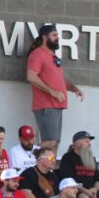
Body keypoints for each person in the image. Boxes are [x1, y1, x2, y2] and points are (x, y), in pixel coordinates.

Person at [26, 23, 83, 152]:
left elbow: (60, 80)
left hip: (57, 105)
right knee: (48, 142)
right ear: (45, 37)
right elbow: (31, 77)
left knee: (55, 143)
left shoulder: (54, 57)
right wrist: (52, 91)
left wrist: (74, 89)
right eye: (54, 35)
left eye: (57, 35)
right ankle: (36, 166)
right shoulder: (37, 54)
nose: (57, 37)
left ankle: (49, 169)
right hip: (46, 105)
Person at [58, 130, 99, 198]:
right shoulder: (68, 157)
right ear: (77, 143)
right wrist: (86, 191)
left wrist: (94, 190)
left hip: (91, 191)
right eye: (87, 141)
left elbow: (98, 179)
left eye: (90, 141)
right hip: (75, 190)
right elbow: (68, 180)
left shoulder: (92, 158)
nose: (90, 144)